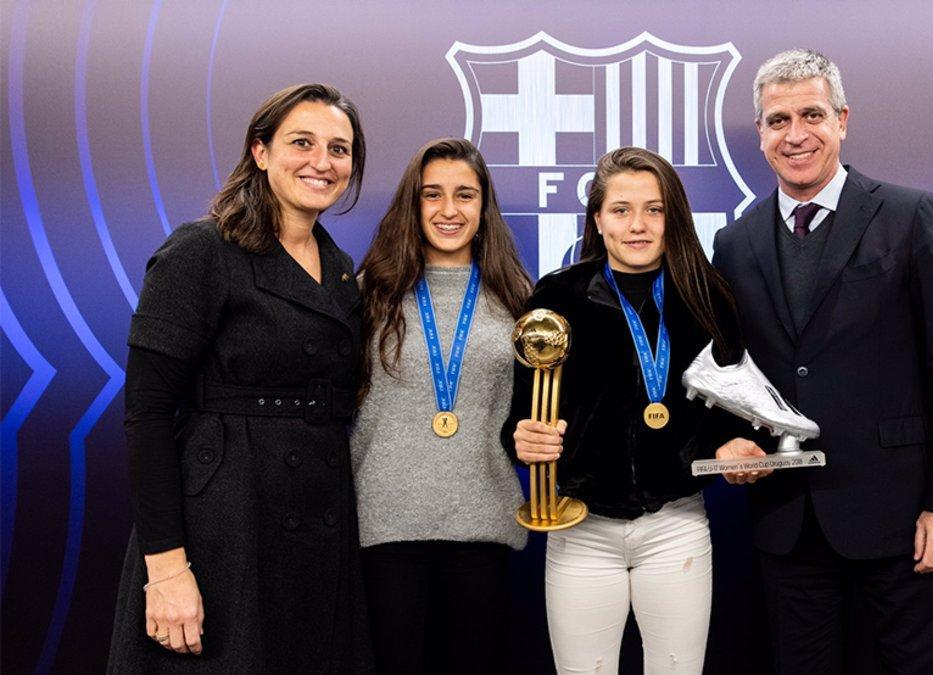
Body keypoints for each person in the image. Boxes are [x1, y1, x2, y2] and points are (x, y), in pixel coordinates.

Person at [711, 49, 933, 673]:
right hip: (788, 526)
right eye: (778, 120)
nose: (796, 134)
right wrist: (731, 443)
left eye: (811, 114)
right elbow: (734, 374)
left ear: (842, 120)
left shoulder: (912, 216)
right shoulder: (735, 242)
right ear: (760, 135)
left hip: (904, 520)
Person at [108, 84, 372, 672]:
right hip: (223, 522)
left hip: (320, 520)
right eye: (301, 143)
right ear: (260, 152)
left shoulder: (340, 269)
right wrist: (167, 569)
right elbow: (147, 416)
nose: (322, 162)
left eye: (339, 148)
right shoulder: (199, 250)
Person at [503, 147, 747, 675]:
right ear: (597, 218)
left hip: (676, 525)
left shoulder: (707, 296)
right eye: (620, 210)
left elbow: (731, 410)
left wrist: (735, 444)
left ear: (673, 217)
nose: (637, 225)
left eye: (654, 209)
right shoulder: (557, 296)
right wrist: (520, 440)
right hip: (580, 527)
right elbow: (519, 412)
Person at [351, 137, 532, 673]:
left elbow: (530, 416)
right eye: (432, 195)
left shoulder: (519, 297)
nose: (449, 210)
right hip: (385, 529)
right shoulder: (369, 294)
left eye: (465, 195)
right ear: (413, 203)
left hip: (481, 528)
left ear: (484, 207)